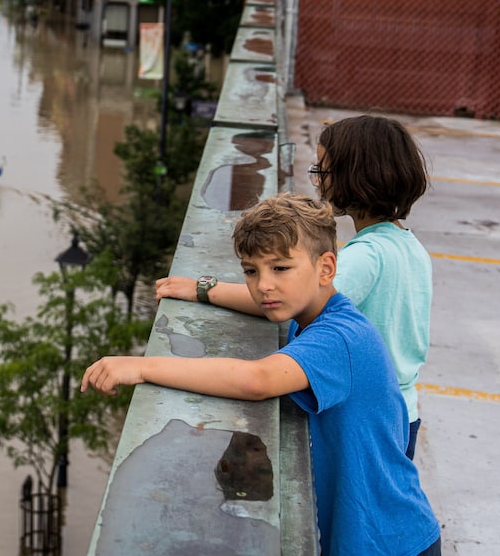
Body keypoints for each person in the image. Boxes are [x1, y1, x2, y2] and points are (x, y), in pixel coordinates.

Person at [83, 193, 441, 556]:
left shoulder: (339, 338)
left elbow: (257, 380)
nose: (264, 285)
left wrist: (142, 367)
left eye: (280, 268)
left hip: (386, 555)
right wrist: (202, 290)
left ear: (327, 268)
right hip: (365, 544)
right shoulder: (313, 314)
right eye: (252, 271)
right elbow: (266, 303)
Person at [155, 115, 432, 458]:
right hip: (403, 409)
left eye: (323, 170)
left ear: (355, 176)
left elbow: (289, 300)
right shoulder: (408, 245)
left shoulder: (368, 256)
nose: (316, 181)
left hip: (372, 420)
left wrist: (205, 290)